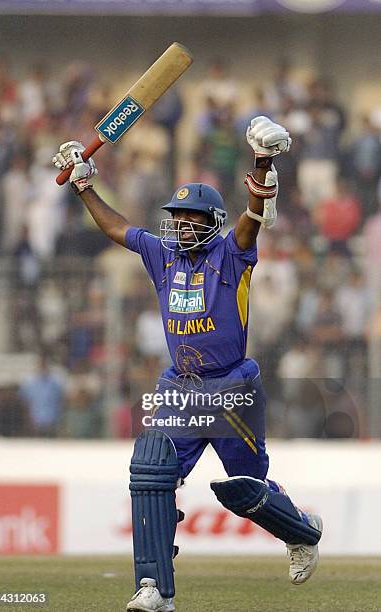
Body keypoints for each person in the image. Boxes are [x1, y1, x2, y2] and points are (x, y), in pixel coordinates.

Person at [53, 116, 323, 612]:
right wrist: (84, 185)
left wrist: (263, 162)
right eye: (177, 216)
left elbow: (253, 215)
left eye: (192, 218)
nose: (181, 223)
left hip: (231, 386)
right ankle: (154, 588)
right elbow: (117, 227)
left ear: (212, 223)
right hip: (181, 386)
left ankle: (301, 531)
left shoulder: (233, 254)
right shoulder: (163, 255)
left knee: (245, 489)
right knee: (151, 471)